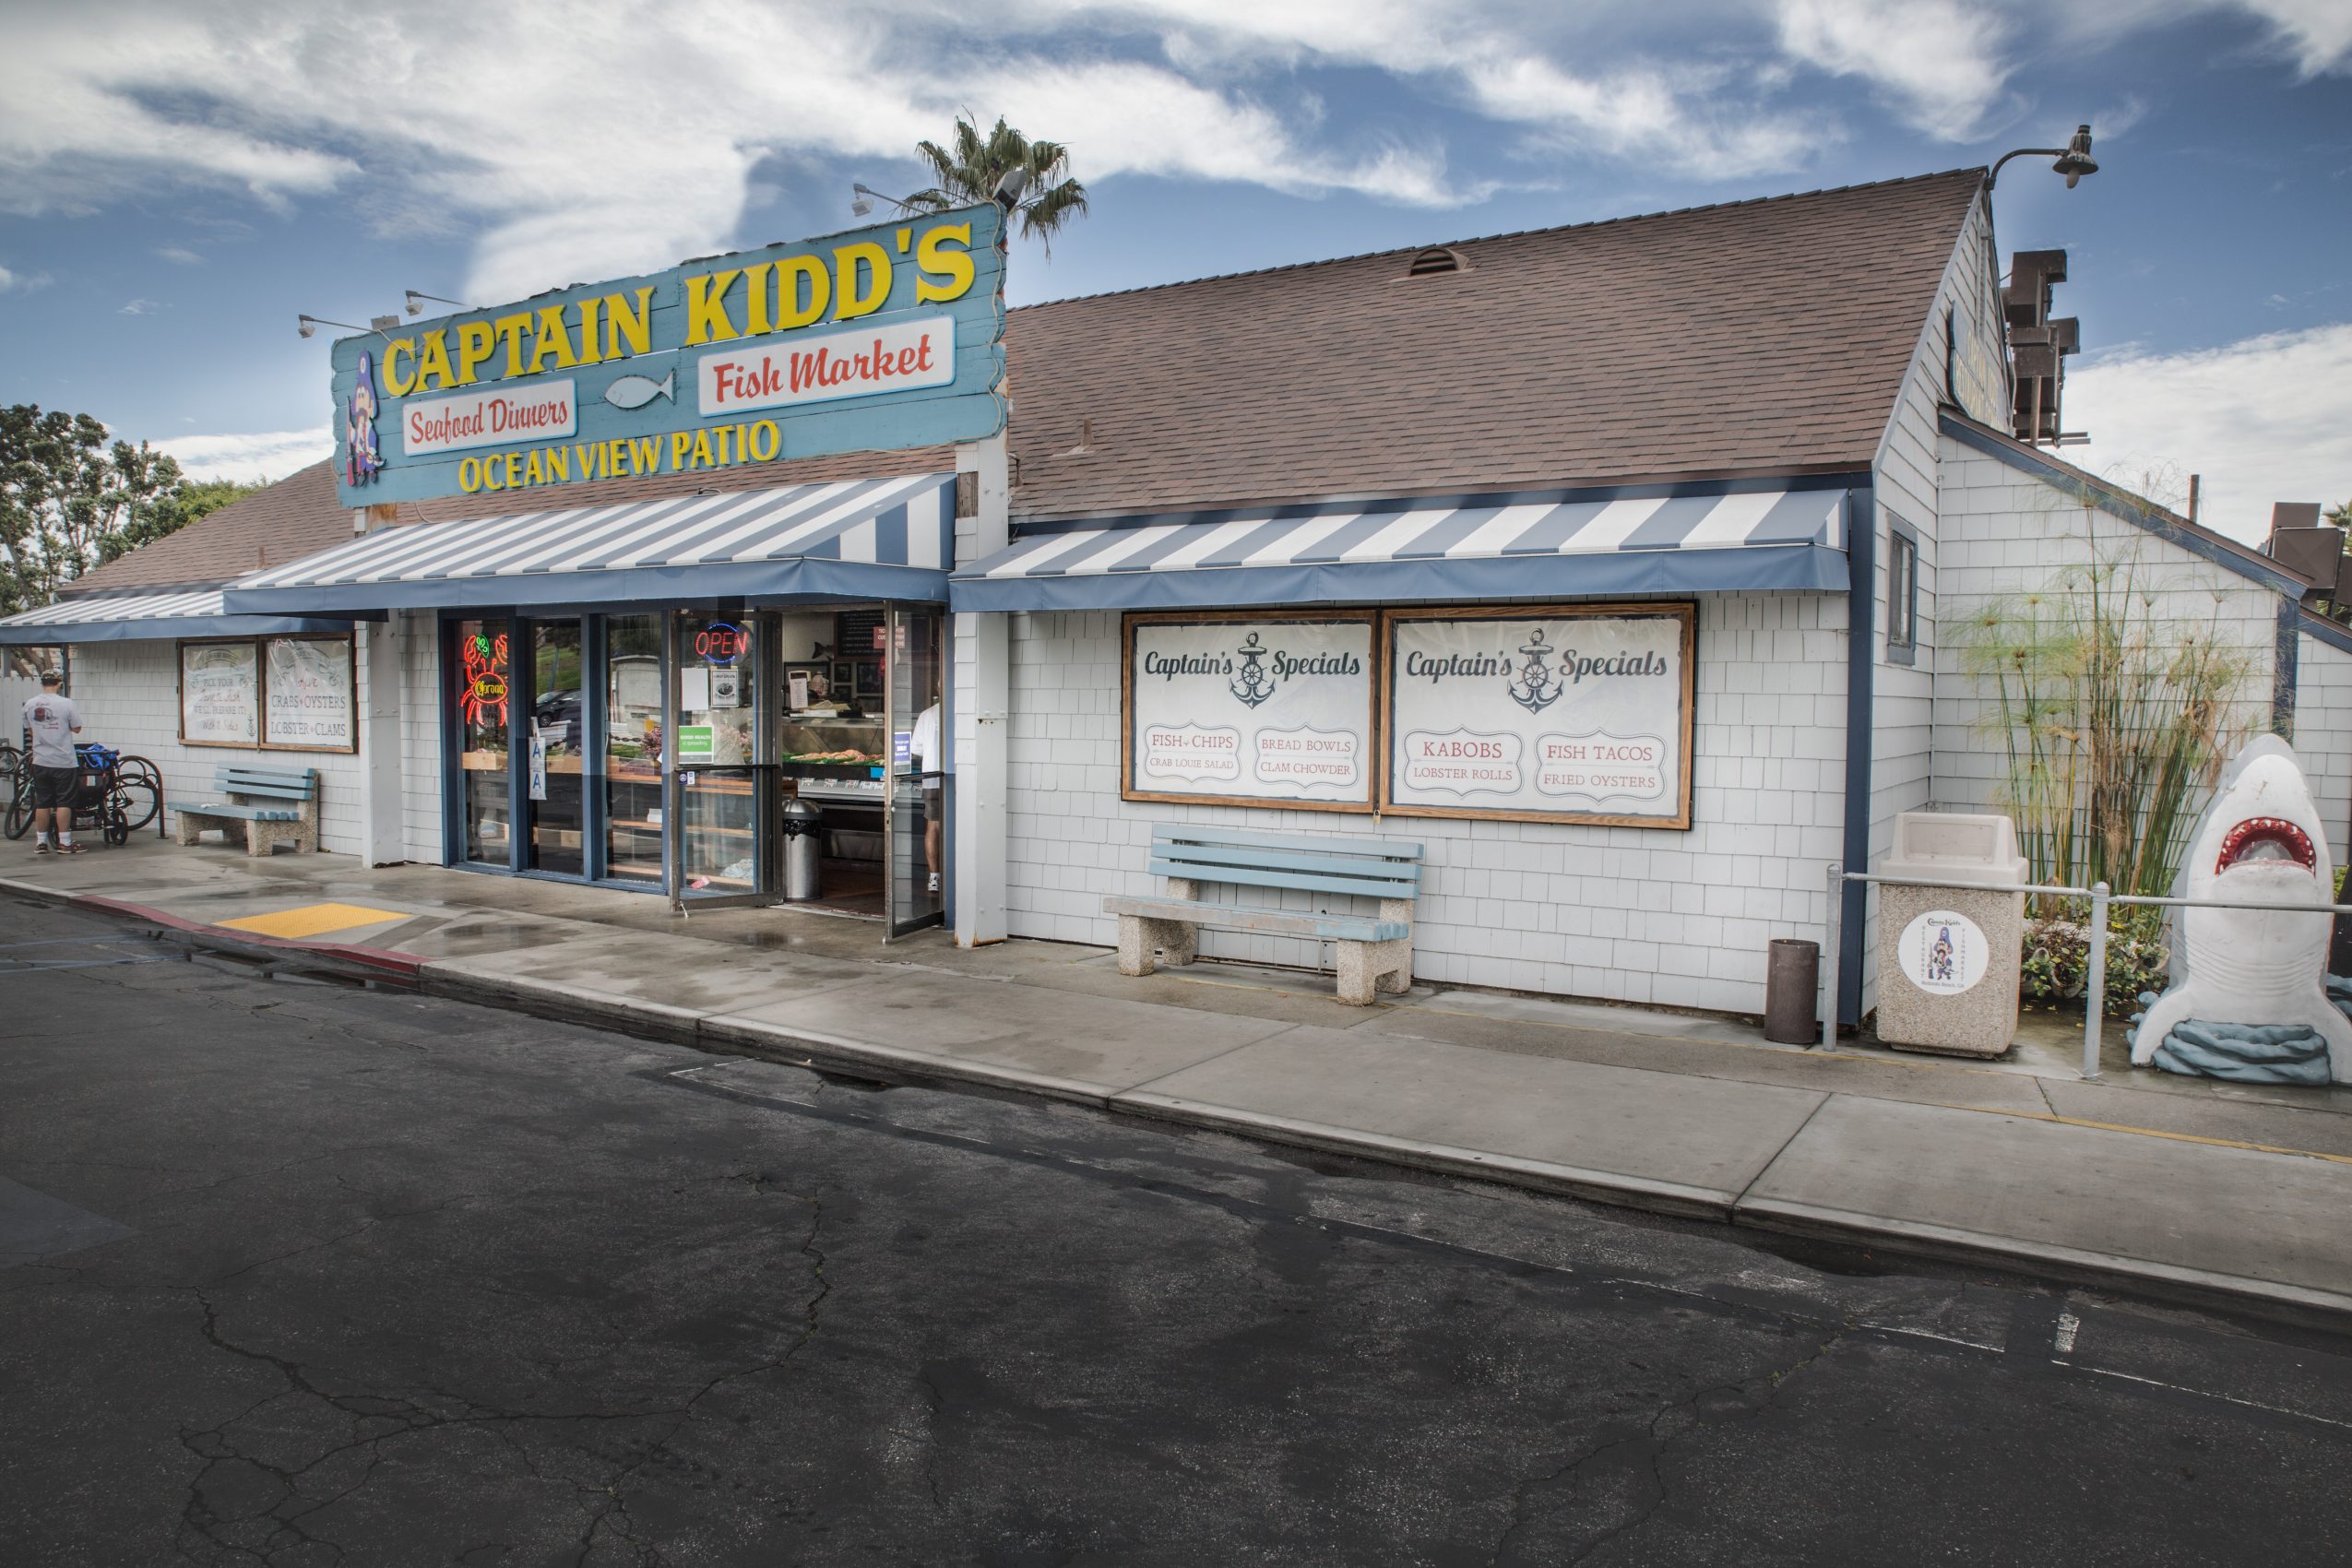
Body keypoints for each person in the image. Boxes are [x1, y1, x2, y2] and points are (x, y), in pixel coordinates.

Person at [22, 671, 84, 855]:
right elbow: (77, 728)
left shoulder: (30, 704)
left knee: (42, 802)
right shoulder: (66, 703)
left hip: (40, 760)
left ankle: (41, 843)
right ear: (59, 683)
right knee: (64, 802)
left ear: (42, 683)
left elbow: (30, 730)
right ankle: (65, 843)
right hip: (63, 760)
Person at [909, 695, 943, 896]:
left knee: (933, 825)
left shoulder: (927, 714)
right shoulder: (962, 712)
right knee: (959, 826)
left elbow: (916, 748)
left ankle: (934, 877)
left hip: (932, 778)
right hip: (960, 778)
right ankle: (957, 872)